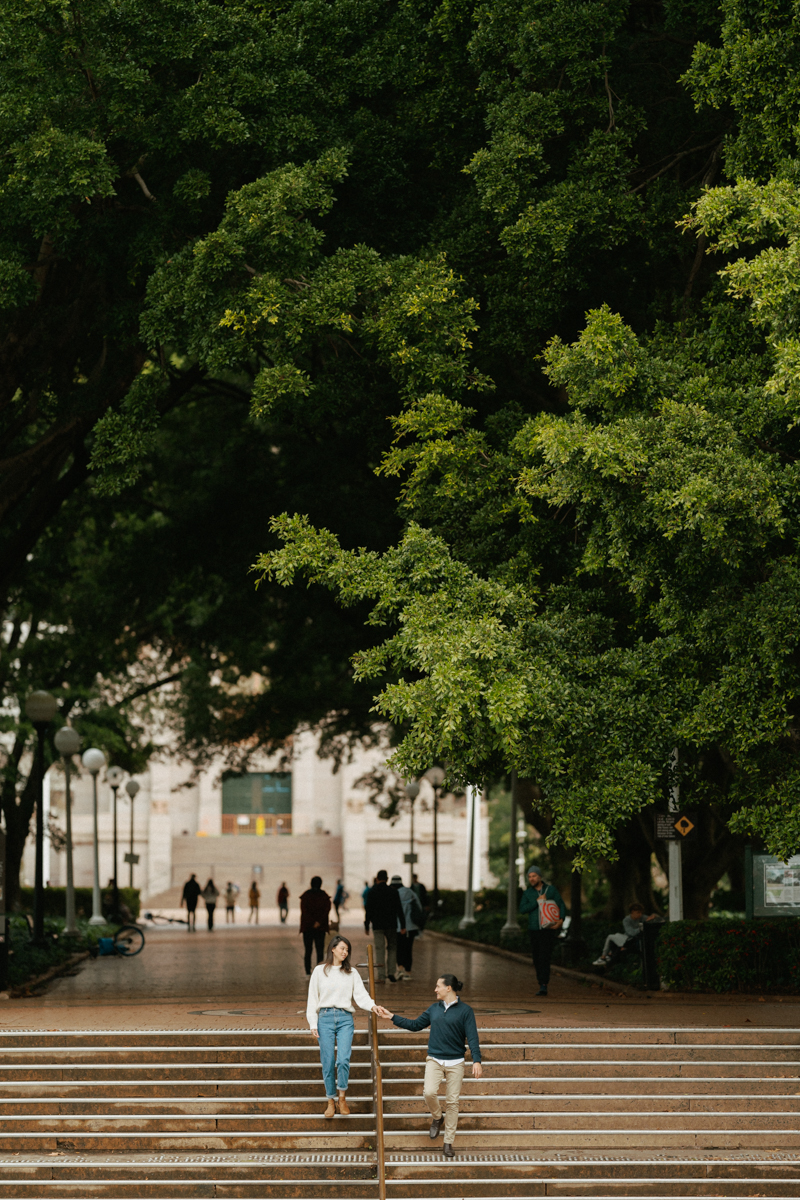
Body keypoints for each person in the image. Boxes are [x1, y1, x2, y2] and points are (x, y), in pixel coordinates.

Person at [376, 972, 482, 1159]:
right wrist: (391, 1016)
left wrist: (477, 1060)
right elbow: (415, 1024)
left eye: (438, 986)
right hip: (434, 1059)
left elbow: (472, 1037)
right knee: (429, 1092)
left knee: (452, 1102)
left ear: (448, 988)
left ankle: (448, 1141)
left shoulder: (466, 1011)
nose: (435, 989)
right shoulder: (434, 1008)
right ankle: (437, 1117)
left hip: (455, 1062)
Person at [307, 934, 381, 1118]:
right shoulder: (319, 971)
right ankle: (330, 1100)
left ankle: (342, 1097)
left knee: (343, 1060)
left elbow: (361, 996)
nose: (345, 952)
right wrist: (312, 1022)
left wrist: (373, 1006)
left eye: (347, 950)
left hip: (345, 1019)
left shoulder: (352, 973)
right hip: (324, 1018)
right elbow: (312, 999)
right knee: (327, 1061)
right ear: (333, 949)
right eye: (342, 948)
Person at [518, 866, 565, 996]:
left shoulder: (551, 890)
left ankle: (543, 984)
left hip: (548, 929)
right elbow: (522, 909)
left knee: (545, 957)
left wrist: (560, 921)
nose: (532, 879)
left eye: (534, 876)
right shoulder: (528, 893)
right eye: (529, 877)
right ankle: (541, 981)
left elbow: (561, 904)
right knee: (537, 958)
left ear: (540, 877)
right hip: (534, 930)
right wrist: (536, 902)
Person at [364, 870, 406, 983]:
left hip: (377, 925)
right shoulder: (393, 892)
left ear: (377, 879)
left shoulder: (372, 891)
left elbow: (368, 909)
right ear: (387, 879)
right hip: (391, 924)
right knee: (392, 947)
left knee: (379, 949)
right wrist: (403, 925)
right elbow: (399, 909)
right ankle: (391, 972)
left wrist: (367, 924)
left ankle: (381, 975)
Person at [593, 903, 661, 967]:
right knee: (612, 936)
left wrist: (652, 918)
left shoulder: (643, 917)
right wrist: (643, 925)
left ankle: (604, 957)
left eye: (640, 912)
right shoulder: (626, 920)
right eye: (638, 913)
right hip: (627, 939)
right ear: (632, 912)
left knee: (611, 936)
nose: (640, 914)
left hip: (633, 941)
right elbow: (631, 933)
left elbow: (652, 920)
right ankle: (605, 956)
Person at [391, 874, 425, 980]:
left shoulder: (393, 893)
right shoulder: (410, 892)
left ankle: (400, 968)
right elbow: (419, 906)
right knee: (408, 949)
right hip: (411, 926)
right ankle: (408, 972)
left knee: (398, 948)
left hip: (397, 927)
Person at [300, 875, 332, 974]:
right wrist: (318, 922)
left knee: (308, 950)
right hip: (320, 928)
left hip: (307, 927)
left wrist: (311, 922)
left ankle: (307, 971)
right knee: (320, 951)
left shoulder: (306, 896)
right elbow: (326, 911)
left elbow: (305, 911)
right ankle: (319, 971)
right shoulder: (324, 896)